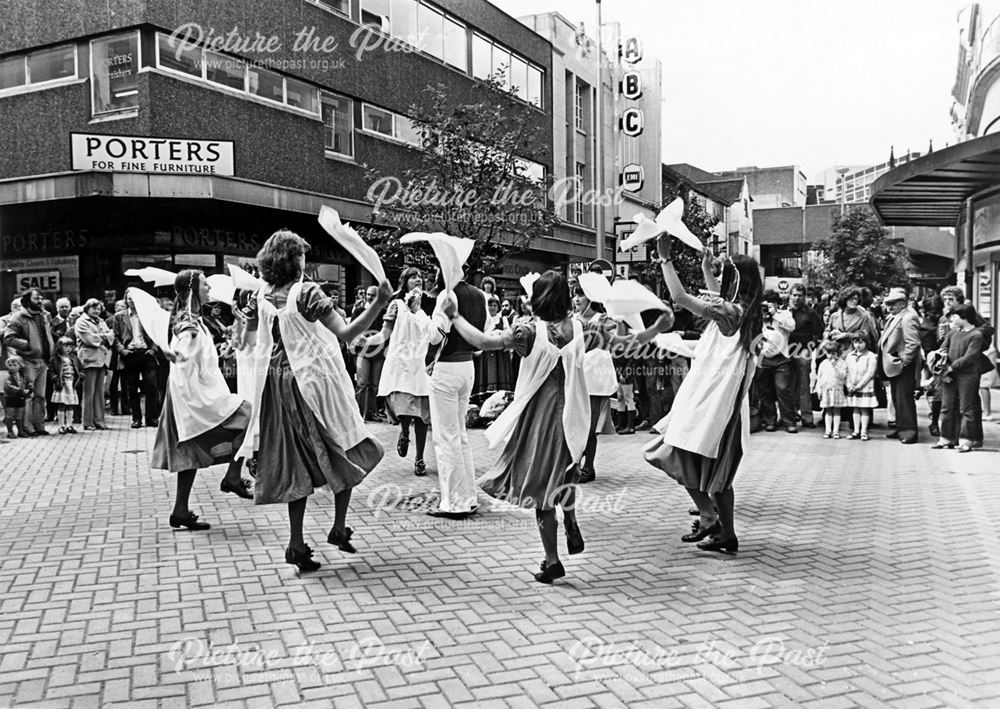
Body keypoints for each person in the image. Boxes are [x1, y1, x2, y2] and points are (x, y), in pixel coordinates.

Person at [445, 271, 672, 583]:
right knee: (564, 472)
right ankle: (572, 515)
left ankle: (552, 561)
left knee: (541, 494)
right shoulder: (583, 329)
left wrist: (455, 316)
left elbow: (483, 342)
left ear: (537, 299)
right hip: (574, 417)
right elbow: (625, 344)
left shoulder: (527, 332)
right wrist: (657, 328)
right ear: (566, 298)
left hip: (541, 419)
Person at [237, 230, 391, 571]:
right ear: (294, 260)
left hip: (275, 387)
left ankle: (296, 543)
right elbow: (348, 333)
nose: (306, 261)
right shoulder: (306, 293)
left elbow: (246, 340)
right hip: (314, 386)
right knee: (347, 447)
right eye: (302, 256)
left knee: (296, 464)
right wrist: (379, 303)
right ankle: (337, 526)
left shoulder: (259, 295)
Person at [644, 235, 763, 555]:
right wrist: (705, 268)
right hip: (716, 404)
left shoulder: (730, 312)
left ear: (735, 280)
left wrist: (665, 258)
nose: (721, 279)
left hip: (713, 405)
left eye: (726, 274)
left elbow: (679, 296)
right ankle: (714, 522)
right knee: (697, 465)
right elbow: (713, 297)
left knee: (707, 470)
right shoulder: (745, 311)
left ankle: (721, 528)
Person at [145, 270, 254, 532]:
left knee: (189, 452)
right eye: (205, 285)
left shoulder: (195, 318)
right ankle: (232, 477)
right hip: (195, 395)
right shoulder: (188, 323)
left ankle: (180, 511)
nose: (209, 290)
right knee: (250, 416)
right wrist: (177, 354)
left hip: (193, 392)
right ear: (194, 289)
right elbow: (182, 346)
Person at [424, 267, 492, 518]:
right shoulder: (478, 295)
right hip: (467, 366)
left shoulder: (447, 295)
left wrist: (421, 316)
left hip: (447, 367)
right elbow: (482, 333)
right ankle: (468, 497)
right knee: (460, 436)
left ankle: (454, 502)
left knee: (446, 438)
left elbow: (435, 335)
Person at [369, 267, 433, 476]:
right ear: (404, 282)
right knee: (406, 409)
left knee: (422, 416)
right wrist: (367, 341)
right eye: (414, 276)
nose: (419, 279)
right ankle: (405, 433)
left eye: (421, 276)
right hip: (402, 364)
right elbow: (384, 333)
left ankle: (420, 458)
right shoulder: (396, 305)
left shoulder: (429, 303)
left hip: (422, 364)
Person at [572, 283, 619, 484]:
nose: (576, 300)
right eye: (574, 296)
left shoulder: (603, 320)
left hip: (594, 380)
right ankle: (574, 464)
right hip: (574, 378)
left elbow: (613, 338)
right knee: (574, 425)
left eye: (580, 295)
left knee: (589, 427)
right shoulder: (571, 320)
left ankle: (588, 467)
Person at [933, 302, 985, 452]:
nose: (951, 319)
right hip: (950, 375)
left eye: (954, 316)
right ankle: (946, 438)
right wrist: (942, 369)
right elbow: (943, 349)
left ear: (964, 317)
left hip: (968, 376)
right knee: (946, 406)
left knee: (966, 407)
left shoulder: (976, 335)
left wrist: (950, 368)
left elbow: (970, 357)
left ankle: (966, 440)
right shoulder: (953, 333)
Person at [3, 289, 55, 436]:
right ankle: (27, 427)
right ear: (27, 300)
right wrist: (26, 344)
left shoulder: (44, 315)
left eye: (41, 298)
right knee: (29, 396)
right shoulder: (19, 317)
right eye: (36, 298)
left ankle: (39, 425)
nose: (40, 301)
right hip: (28, 362)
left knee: (40, 396)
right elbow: (8, 337)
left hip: (43, 361)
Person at [879, 287, 921, 444]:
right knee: (898, 398)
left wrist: (905, 361)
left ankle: (909, 432)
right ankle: (901, 427)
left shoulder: (908, 317)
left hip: (902, 365)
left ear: (903, 303)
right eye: (888, 304)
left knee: (905, 399)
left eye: (893, 303)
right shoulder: (898, 316)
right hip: (895, 364)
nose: (889, 307)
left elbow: (913, 342)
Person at [112, 294, 161, 429]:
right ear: (126, 300)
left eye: (134, 298)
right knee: (131, 388)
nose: (132, 301)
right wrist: (122, 350)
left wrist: (154, 349)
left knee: (151, 387)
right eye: (129, 298)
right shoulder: (119, 316)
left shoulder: (147, 315)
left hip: (146, 353)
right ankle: (136, 418)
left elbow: (156, 333)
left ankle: (151, 418)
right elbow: (115, 336)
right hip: (130, 354)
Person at [756, 290, 798, 433]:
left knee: (783, 389)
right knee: (765, 390)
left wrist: (774, 314)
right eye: (765, 304)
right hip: (763, 357)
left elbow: (792, 326)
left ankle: (789, 421)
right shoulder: (758, 314)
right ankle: (770, 421)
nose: (767, 307)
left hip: (781, 357)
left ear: (776, 304)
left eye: (770, 304)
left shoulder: (784, 314)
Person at [74, 299, 114, 431]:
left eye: (98, 309)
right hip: (88, 360)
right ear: (87, 309)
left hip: (101, 359)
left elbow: (111, 336)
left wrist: (102, 336)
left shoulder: (101, 321)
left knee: (99, 392)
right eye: (93, 308)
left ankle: (99, 420)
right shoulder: (81, 322)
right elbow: (89, 339)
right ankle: (87, 421)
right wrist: (104, 336)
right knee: (88, 392)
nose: (96, 311)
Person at [787, 284, 823, 429]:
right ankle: (791, 414)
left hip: (803, 352)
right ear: (790, 295)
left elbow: (819, 332)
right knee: (788, 385)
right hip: (785, 351)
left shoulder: (811, 313)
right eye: (794, 295)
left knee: (803, 385)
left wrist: (811, 346)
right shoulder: (785, 311)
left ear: (804, 297)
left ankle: (807, 417)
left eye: (800, 295)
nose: (797, 298)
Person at [353, 284, 387, 421]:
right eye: (368, 294)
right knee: (362, 383)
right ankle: (358, 414)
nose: (369, 297)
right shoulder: (359, 311)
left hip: (379, 352)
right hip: (363, 352)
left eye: (373, 295)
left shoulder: (383, 311)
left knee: (374, 384)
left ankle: (371, 413)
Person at [919, 295, 945, 437]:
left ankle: (935, 421)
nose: (935, 315)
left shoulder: (937, 322)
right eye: (932, 312)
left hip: (939, 362)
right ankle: (934, 422)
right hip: (936, 363)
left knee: (938, 395)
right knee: (938, 395)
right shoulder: (927, 327)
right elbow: (929, 351)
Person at [844, 332, 877, 440]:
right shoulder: (850, 356)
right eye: (855, 342)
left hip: (865, 386)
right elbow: (847, 371)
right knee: (855, 409)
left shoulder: (871, 356)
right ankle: (856, 430)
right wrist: (849, 384)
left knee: (864, 409)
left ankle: (864, 431)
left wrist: (859, 385)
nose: (858, 345)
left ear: (866, 343)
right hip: (853, 387)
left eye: (861, 342)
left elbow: (870, 373)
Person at [814, 340, 847, 439]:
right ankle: (828, 430)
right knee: (828, 411)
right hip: (826, 390)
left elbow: (843, 376)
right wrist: (818, 389)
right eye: (828, 353)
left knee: (837, 411)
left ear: (838, 353)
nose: (831, 356)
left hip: (837, 390)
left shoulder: (841, 363)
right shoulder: (823, 363)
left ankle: (836, 430)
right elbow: (819, 377)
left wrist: (835, 366)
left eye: (833, 353)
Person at [48, 337, 81, 434]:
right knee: (61, 405)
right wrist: (55, 379)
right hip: (61, 384)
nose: (68, 349)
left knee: (70, 405)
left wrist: (81, 377)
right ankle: (61, 425)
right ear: (59, 347)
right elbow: (50, 371)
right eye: (66, 346)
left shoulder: (75, 358)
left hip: (72, 384)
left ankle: (70, 425)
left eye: (70, 346)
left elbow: (81, 369)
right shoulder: (55, 359)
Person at [3, 355, 30, 438]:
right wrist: (19, 390)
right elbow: (8, 386)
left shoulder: (24, 376)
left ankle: (20, 431)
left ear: (20, 365)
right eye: (10, 365)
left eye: (15, 365)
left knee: (19, 415)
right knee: (10, 415)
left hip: (20, 398)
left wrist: (29, 389)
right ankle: (10, 432)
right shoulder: (7, 376)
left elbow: (29, 383)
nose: (12, 367)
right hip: (11, 398)